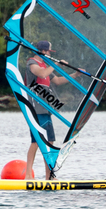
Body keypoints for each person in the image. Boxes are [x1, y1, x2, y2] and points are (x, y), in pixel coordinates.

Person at [24, 41, 69, 180]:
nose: (50, 54)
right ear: (43, 51)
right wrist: (56, 64)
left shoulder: (45, 65)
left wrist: (74, 75)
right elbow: (42, 74)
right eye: (49, 52)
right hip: (35, 109)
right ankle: (28, 175)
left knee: (50, 142)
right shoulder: (32, 63)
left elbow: (58, 81)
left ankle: (49, 176)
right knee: (36, 141)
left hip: (46, 109)